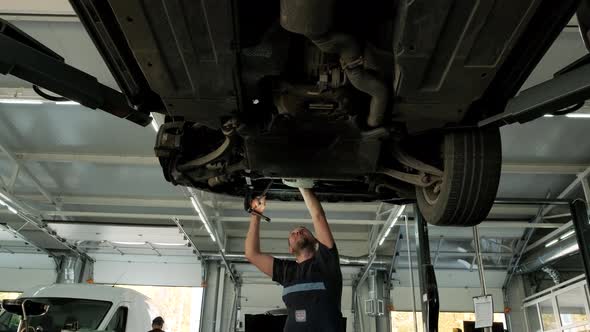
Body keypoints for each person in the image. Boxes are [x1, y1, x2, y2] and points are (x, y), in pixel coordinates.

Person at [245, 187, 343, 332]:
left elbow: (318, 216)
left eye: (303, 230)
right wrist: (256, 215)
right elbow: (251, 254)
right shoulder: (286, 271)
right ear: (290, 249)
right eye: (293, 233)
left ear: (316, 241)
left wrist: (302, 185)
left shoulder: (326, 263)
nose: (297, 231)